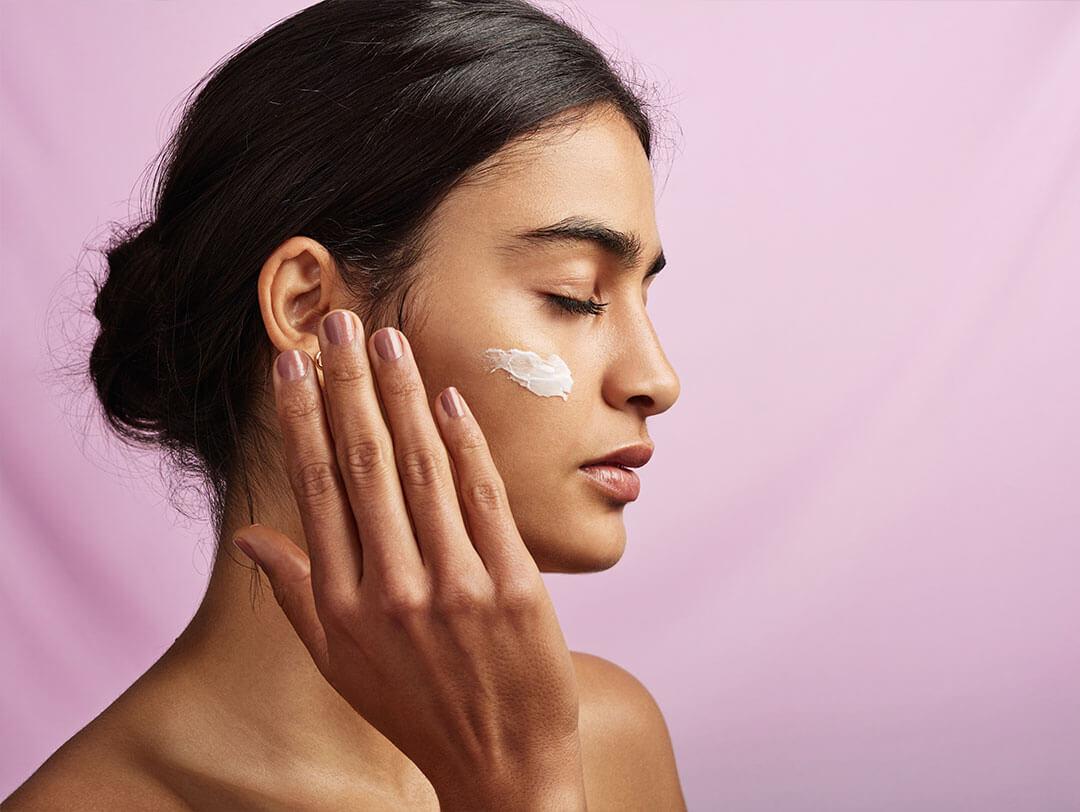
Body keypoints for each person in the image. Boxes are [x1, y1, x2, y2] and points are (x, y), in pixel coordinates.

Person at [4, 0, 684, 807]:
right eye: (574, 295)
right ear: (308, 309)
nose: (657, 378)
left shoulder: (606, 737)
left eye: (643, 293)